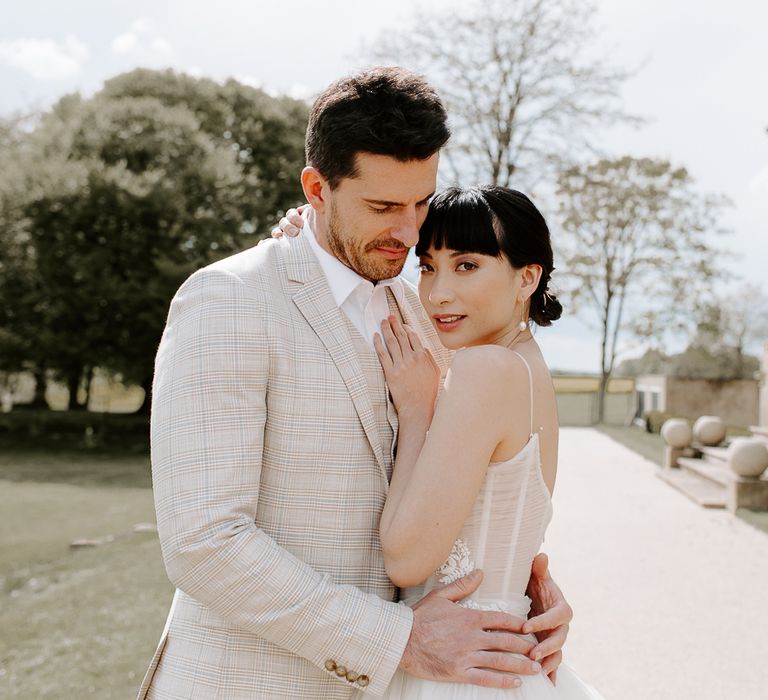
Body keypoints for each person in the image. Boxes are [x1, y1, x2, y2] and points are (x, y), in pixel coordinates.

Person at [138, 67, 572, 700]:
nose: (409, 230)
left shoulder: (428, 303)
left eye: (421, 202)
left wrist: (520, 592)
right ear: (316, 188)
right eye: (382, 207)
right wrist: (396, 639)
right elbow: (204, 541)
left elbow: (474, 473)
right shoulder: (229, 300)